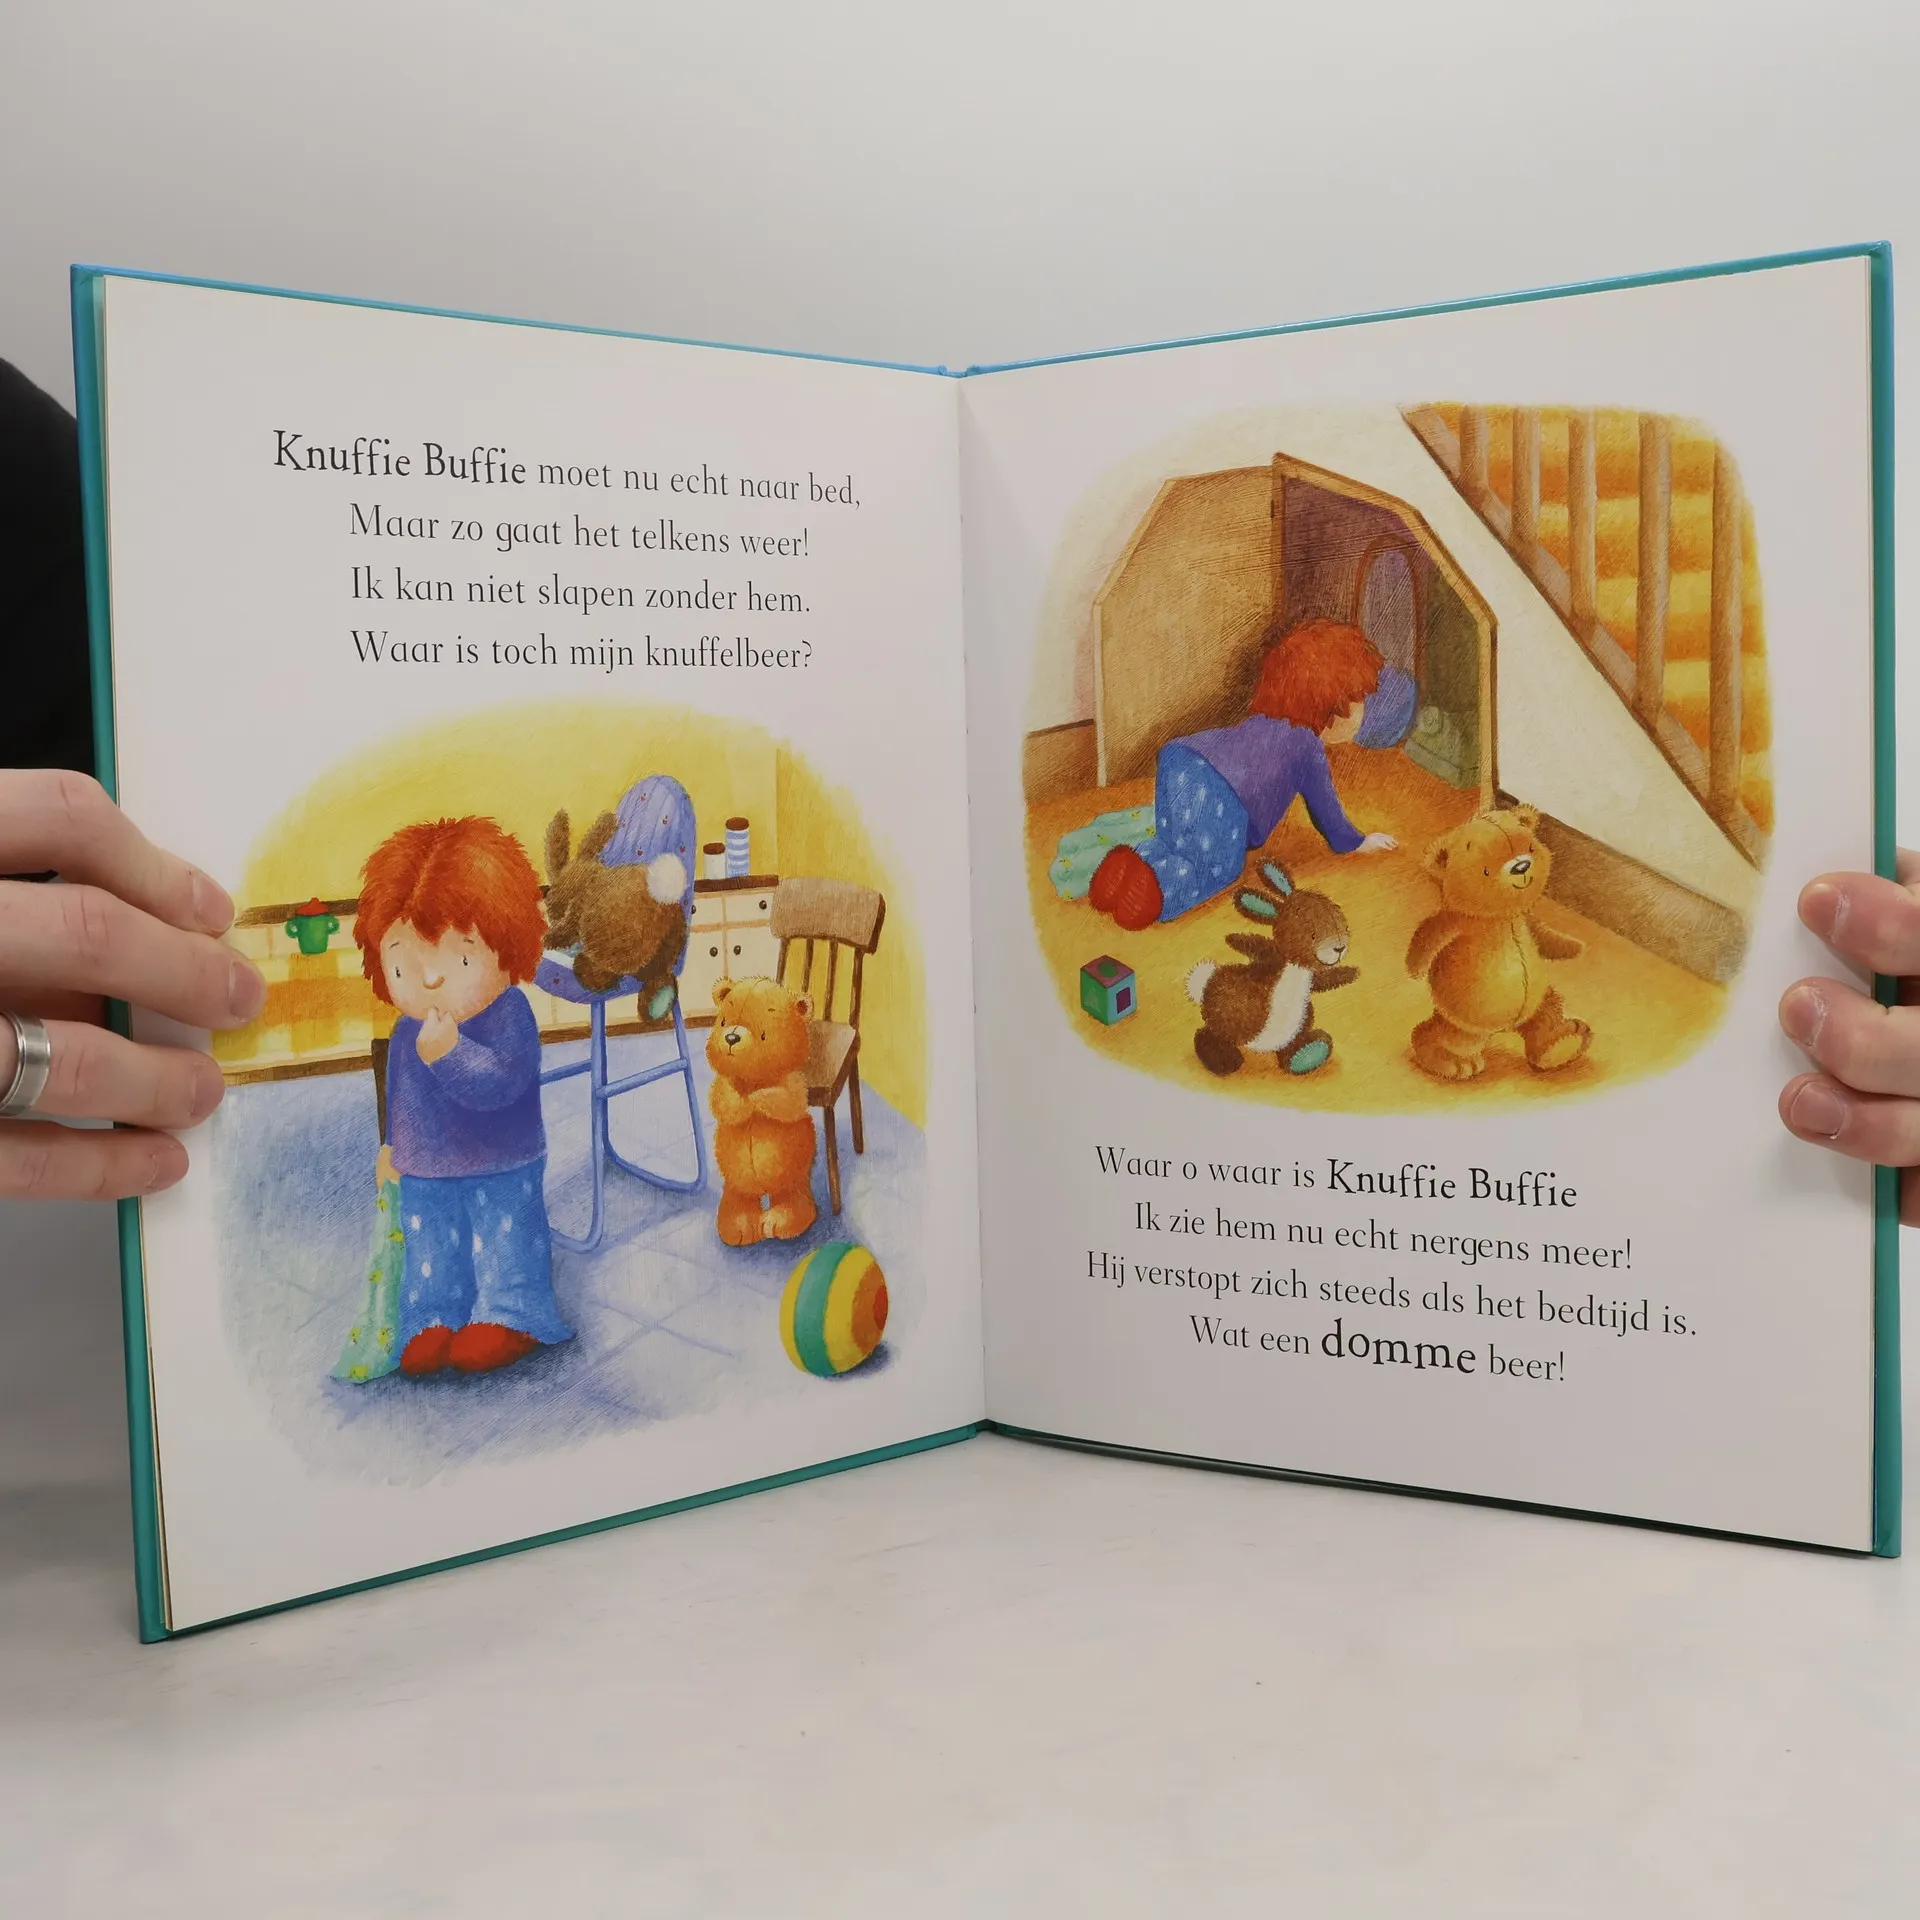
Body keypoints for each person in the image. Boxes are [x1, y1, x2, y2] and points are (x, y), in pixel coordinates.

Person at [353, 815, 571, 1375]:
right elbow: (400, 1094)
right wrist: (391, 1147)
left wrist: (451, 1053)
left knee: (505, 1242)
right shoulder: (407, 1031)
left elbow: (502, 1084)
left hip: (502, 1161)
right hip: (426, 1165)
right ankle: (433, 1318)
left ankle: (510, 1315)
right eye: (403, 961)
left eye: (462, 958)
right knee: (430, 1247)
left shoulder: (510, 1015)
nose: (430, 980)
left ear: (507, 950)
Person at [1085, 617, 1401, 932]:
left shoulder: (1267, 719)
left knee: (1174, 841)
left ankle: (1133, 864)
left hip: (1180, 758)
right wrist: (1355, 842)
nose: (1363, 710)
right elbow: (1327, 813)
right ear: (1332, 701)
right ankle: (1156, 893)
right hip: (1221, 790)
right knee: (1214, 869)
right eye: (1359, 698)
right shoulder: (1306, 745)